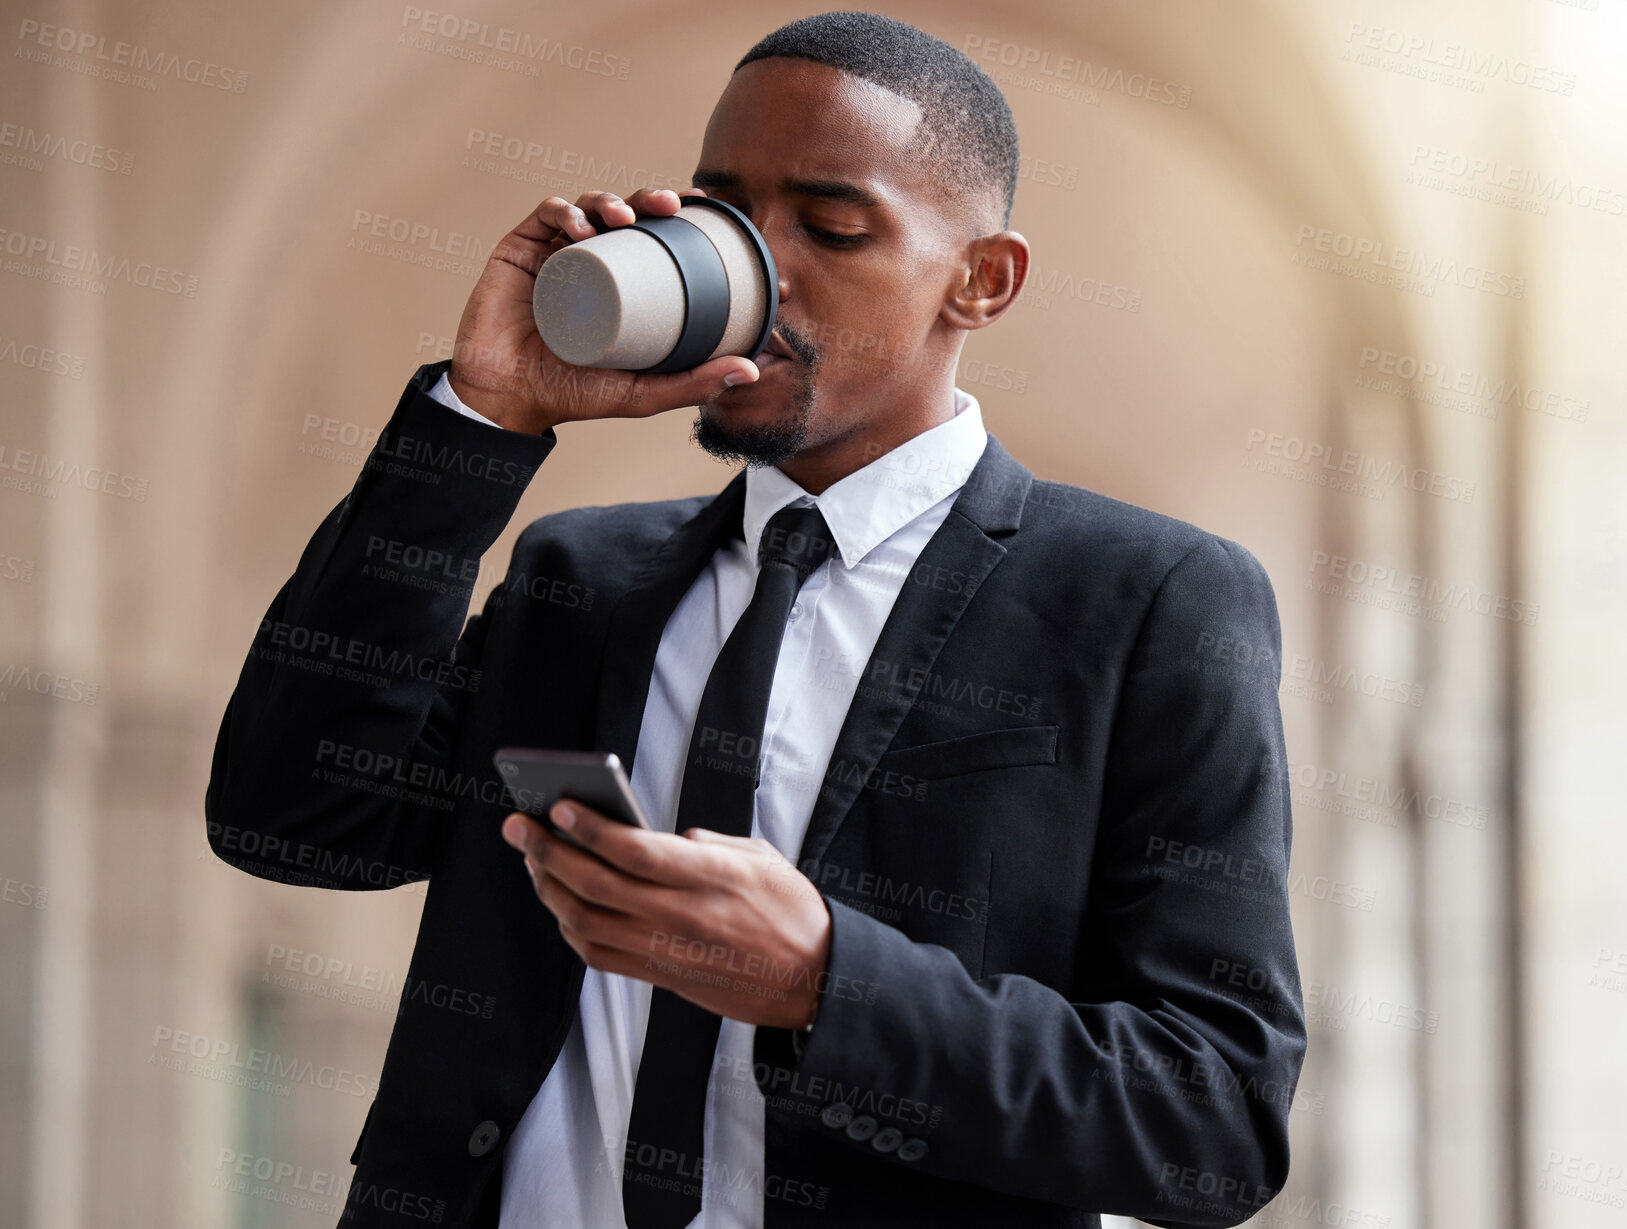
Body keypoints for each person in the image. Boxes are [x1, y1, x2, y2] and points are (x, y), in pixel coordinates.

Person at [205, 11, 1306, 1229]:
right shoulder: (586, 574)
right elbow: (292, 816)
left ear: (982, 279)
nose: (763, 266)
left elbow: (1213, 1115)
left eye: (832, 225)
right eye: (722, 210)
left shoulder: (1147, 600)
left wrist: (825, 979)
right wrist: (483, 415)